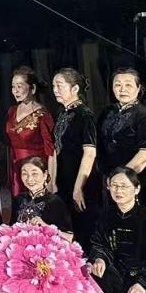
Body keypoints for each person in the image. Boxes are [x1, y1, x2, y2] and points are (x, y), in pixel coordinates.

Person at [97, 68, 146, 208]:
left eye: (128, 85)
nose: (122, 89)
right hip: (111, 178)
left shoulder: (144, 115)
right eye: (118, 85)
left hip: (137, 176)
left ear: (138, 88)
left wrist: (122, 176)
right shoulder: (107, 112)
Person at [53, 69, 100, 247]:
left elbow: (90, 153)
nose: (55, 90)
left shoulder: (85, 116)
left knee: (83, 227)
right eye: (54, 86)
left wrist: (78, 187)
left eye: (59, 86)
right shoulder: (61, 113)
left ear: (74, 89)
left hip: (81, 180)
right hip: (64, 179)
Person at [4, 68, 55, 198]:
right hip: (17, 168)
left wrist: (51, 180)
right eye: (13, 87)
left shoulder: (43, 115)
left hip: (35, 169)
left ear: (32, 88)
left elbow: (51, 151)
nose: (15, 91)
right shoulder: (12, 111)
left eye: (19, 86)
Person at [11, 155, 73, 236]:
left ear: (45, 175)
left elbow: (69, 237)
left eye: (34, 174)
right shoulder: (18, 200)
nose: (29, 179)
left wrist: (45, 226)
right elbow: (11, 229)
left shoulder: (55, 202)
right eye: (25, 174)